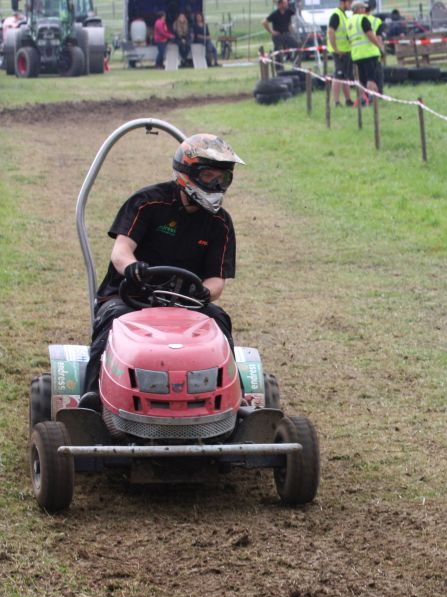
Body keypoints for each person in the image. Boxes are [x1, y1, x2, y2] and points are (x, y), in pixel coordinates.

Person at [80, 134, 245, 407]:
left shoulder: (220, 223)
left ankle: (232, 401)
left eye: (222, 178)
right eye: (208, 176)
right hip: (129, 297)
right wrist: (132, 268)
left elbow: (217, 280)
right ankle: (92, 399)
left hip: (186, 302)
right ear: (187, 173)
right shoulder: (148, 202)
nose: (216, 184)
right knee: (112, 320)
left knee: (219, 320)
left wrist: (205, 292)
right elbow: (121, 251)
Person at [347, 0, 383, 100]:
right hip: (369, 54)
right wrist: (379, 46)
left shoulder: (349, 22)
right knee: (371, 78)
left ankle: (365, 99)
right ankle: (372, 99)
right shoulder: (363, 19)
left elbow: (349, 38)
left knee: (363, 78)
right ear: (358, 9)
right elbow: (370, 34)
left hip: (357, 55)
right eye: (363, 8)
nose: (364, 9)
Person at [327, 0, 355, 106]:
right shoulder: (336, 15)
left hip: (345, 50)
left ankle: (348, 100)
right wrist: (336, 49)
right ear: (344, 2)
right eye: (350, 2)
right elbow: (331, 32)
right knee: (338, 75)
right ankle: (337, 101)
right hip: (339, 51)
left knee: (345, 76)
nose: (351, 4)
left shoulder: (343, 15)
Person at [262, 0, 301, 66]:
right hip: (278, 36)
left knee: (297, 46)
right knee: (278, 54)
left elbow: (297, 14)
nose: (287, 4)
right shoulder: (274, 14)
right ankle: (279, 70)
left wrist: (290, 27)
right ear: (280, 4)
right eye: (285, 3)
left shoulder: (289, 12)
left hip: (287, 34)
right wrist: (271, 31)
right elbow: (264, 22)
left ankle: (296, 64)